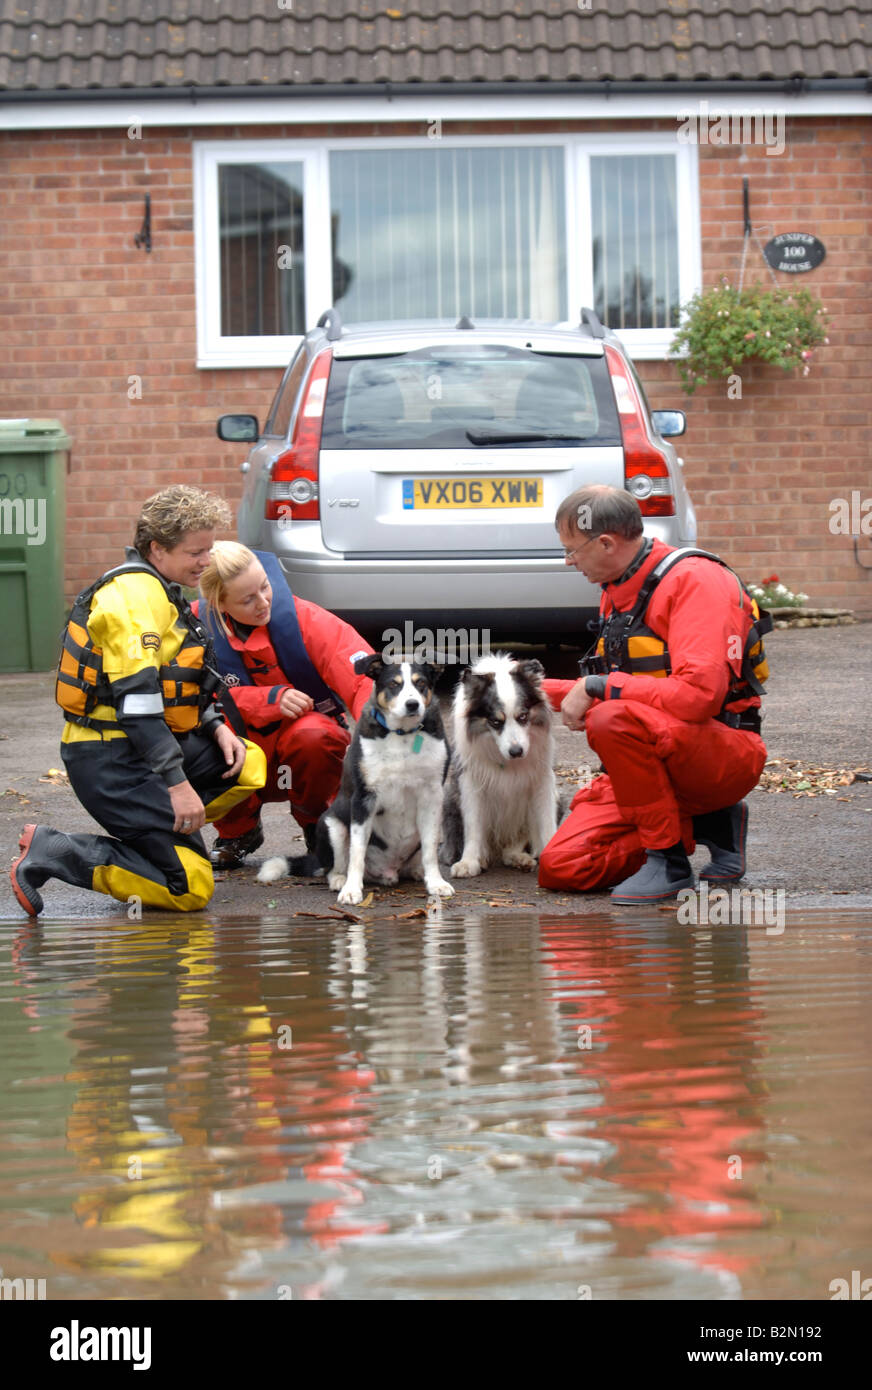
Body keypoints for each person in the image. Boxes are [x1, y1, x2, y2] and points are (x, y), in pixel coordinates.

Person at [10, 486, 266, 915]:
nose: (206, 561)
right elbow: (139, 704)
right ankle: (56, 851)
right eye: (195, 552)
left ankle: (164, 833)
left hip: (138, 748)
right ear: (156, 549)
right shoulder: (134, 598)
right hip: (109, 759)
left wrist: (214, 724)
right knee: (191, 889)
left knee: (247, 762)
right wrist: (179, 787)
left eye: (209, 549)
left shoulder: (161, 587)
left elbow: (176, 680)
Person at [538, 485, 769, 903]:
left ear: (606, 543)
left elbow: (698, 697)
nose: (569, 561)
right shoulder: (619, 587)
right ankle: (708, 823)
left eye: (572, 550)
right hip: (655, 764)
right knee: (563, 868)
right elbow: (627, 686)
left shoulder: (695, 582)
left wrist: (597, 686)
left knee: (612, 718)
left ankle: (670, 860)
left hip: (720, 753)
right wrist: (526, 687)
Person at [196, 542, 375, 867]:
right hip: (241, 748)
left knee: (314, 737)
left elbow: (362, 678)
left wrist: (381, 731)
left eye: (264, 587)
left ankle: (319, 828)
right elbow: (185, 699)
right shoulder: (194, 631)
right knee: (206, 738)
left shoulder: (305, 619)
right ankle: (238, 832)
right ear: (219, 603)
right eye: (248, 599)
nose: (264, 602)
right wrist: (268, 700)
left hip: (301, 748)